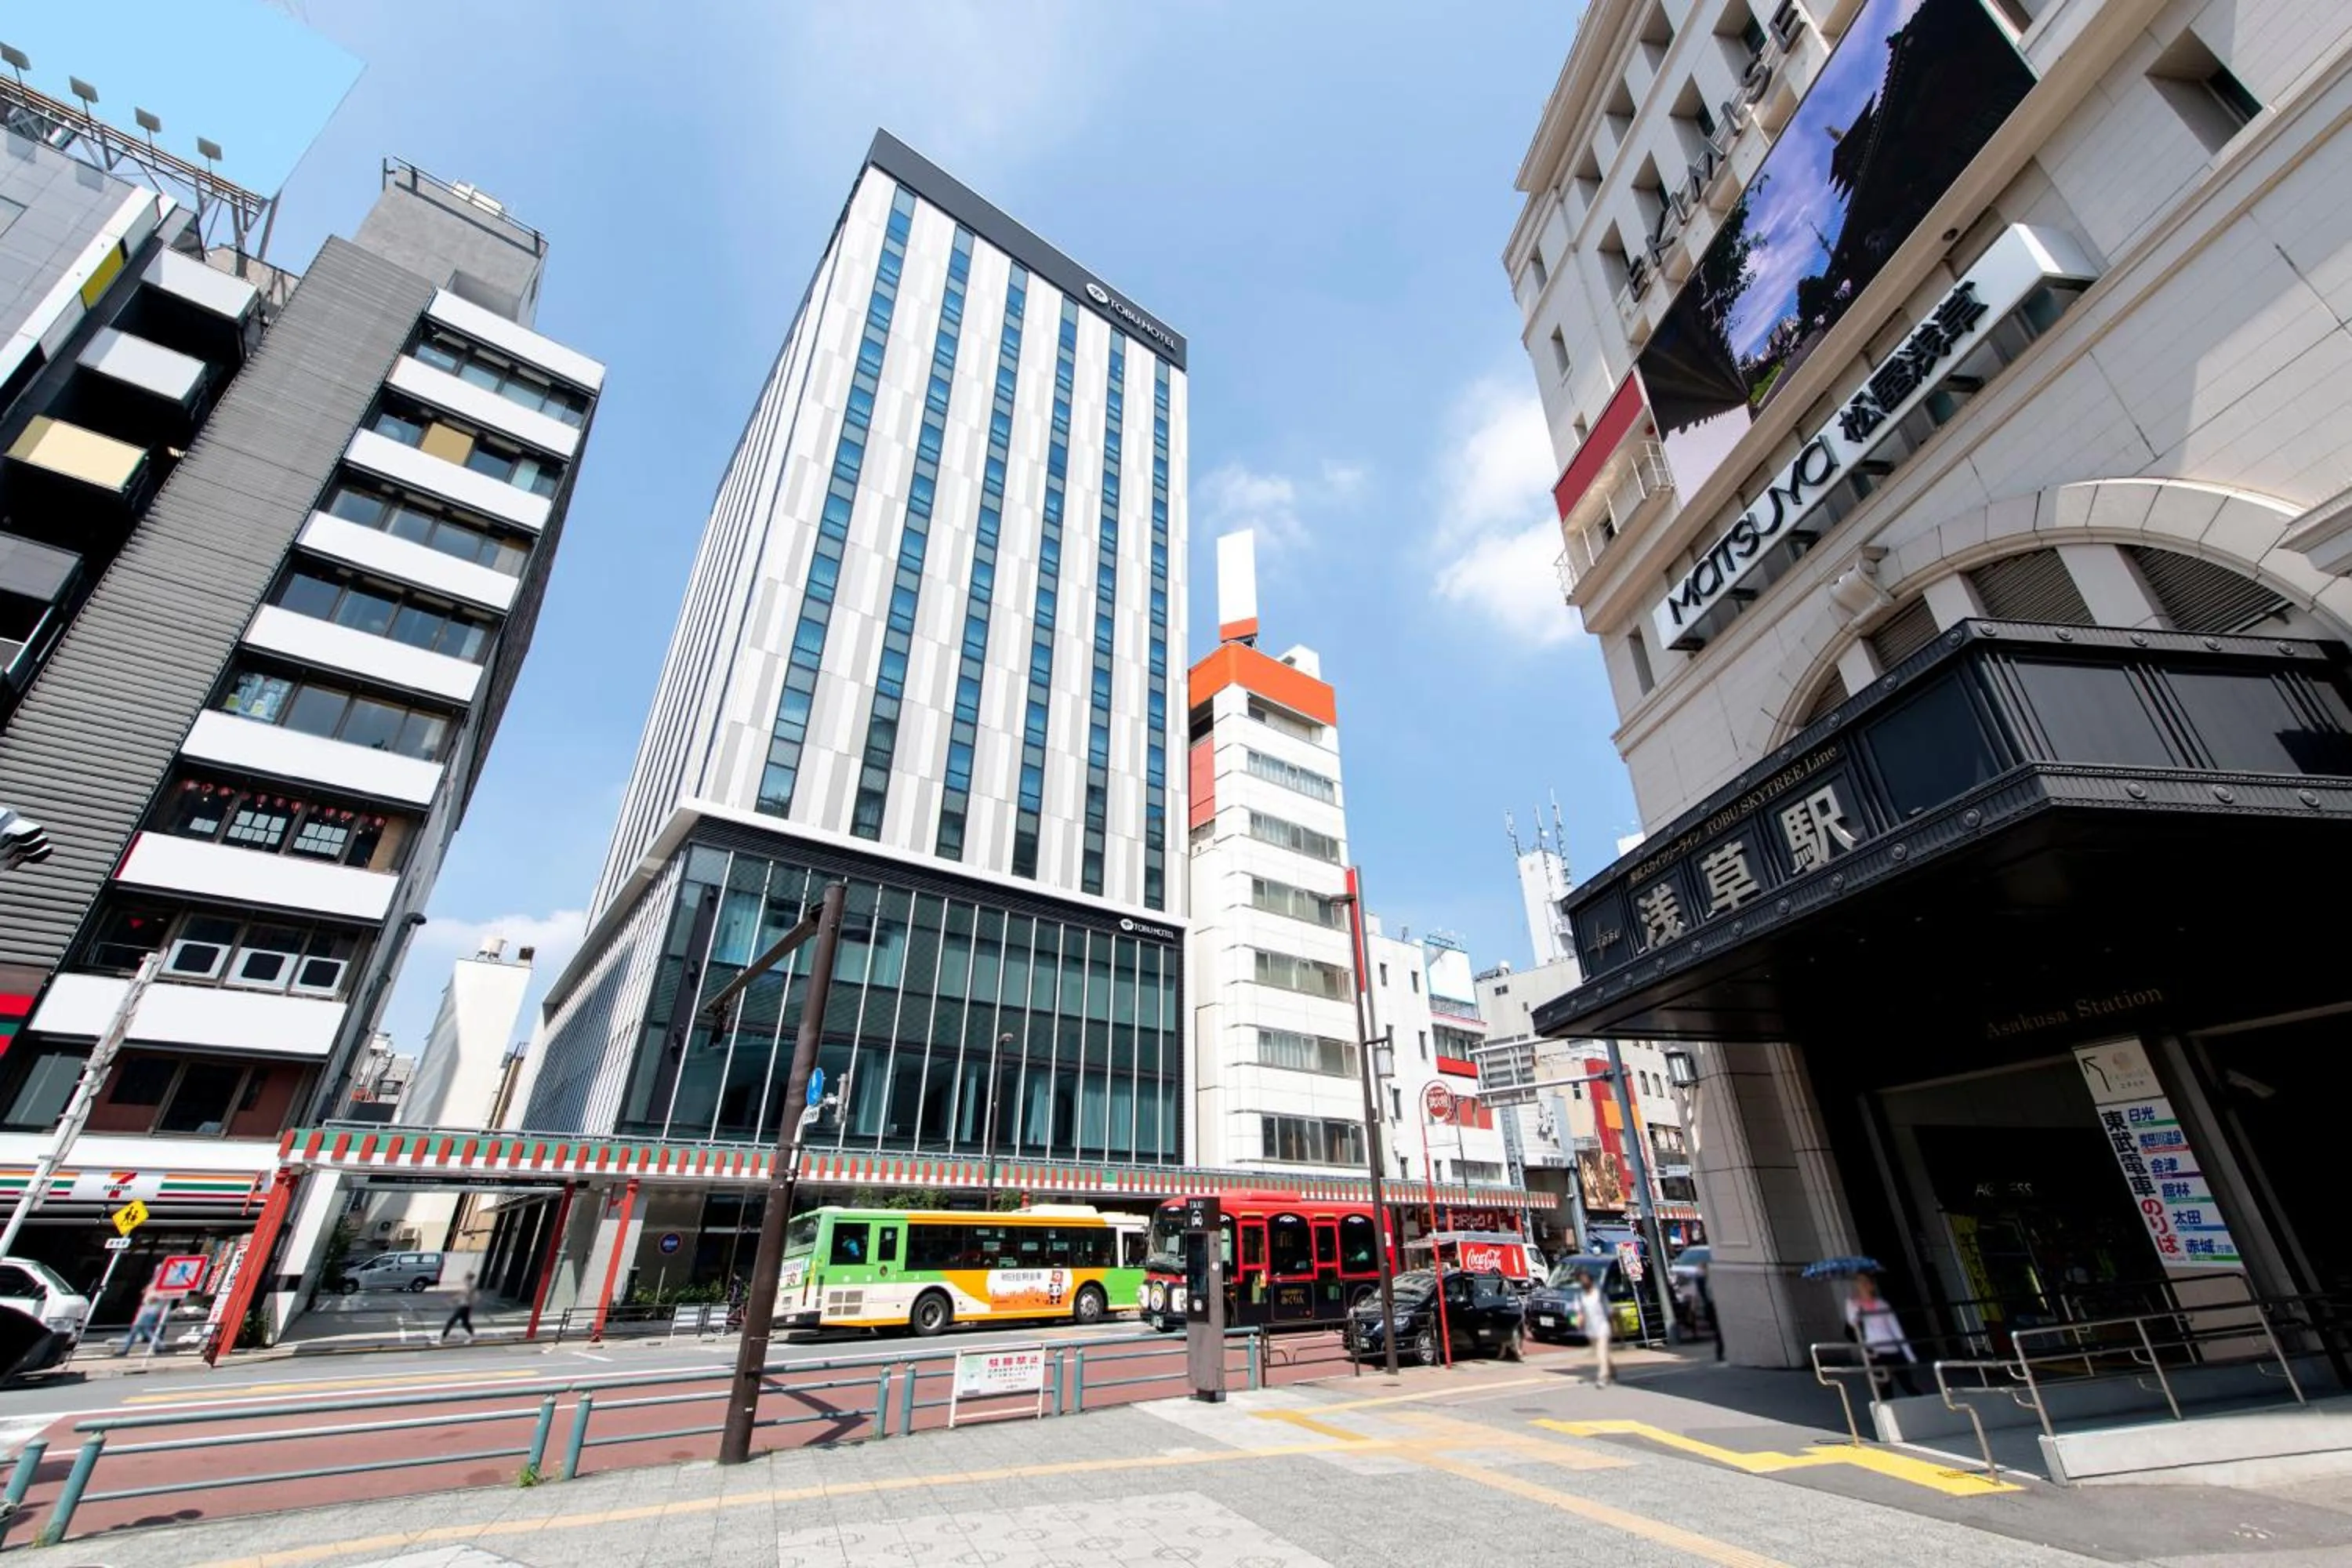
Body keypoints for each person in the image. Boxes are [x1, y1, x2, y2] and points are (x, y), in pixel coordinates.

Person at [1845, 1272, 1918, 1397]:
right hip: (1874, 1351)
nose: (1863, 1285)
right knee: (1884, 1388)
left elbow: (1896, 1330)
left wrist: (1909, 1355)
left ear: (1872, 1286)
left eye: (1866, 1282)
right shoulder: (1852, 1303)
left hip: (1892, 1348)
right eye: (1859, 1282)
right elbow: (1852, 1322)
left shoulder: (1882, 1304)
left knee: (1907, 1384)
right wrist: (1858, 1311)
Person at [1577, 1269, 1613, 1387]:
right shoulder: (1581, 1296)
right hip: (1591, 1329)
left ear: (1590, 1281)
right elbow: (1580, 1313)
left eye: (1585, 1279)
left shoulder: (1599, 1295)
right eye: (1582, 1280)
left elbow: (1609, 1312)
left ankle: (1603, 1377)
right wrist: (1580, 1322)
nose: (1584, 1282)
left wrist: (1613, 1327)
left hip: (1603, 1327)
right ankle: (1610, 1370)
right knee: (1600, 1353)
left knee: (1601, 1352)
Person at [116, 1285, 168, 1356]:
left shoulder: (162, 1286)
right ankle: (159, 1346)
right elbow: (144, 1292)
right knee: (139, 1330)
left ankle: (159, 1346)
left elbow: (155, 1298)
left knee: (142, 1330)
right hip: (145, 1309)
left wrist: (149, 1295)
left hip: (150, 1310)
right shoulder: (154, 1284)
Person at [441, 1273, 479, 1344]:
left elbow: (466, 1295)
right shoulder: (468, 1287)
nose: (464, 1280)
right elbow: (461, 1296)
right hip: (464, 1307)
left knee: (451, 1321)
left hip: (464, 1307)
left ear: (468, 1279)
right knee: (465, 1323)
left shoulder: (471, 1287)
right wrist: (451, 1299)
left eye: (466, 1279)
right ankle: (472, 1335)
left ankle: (443, 1338)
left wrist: (452, 1299)